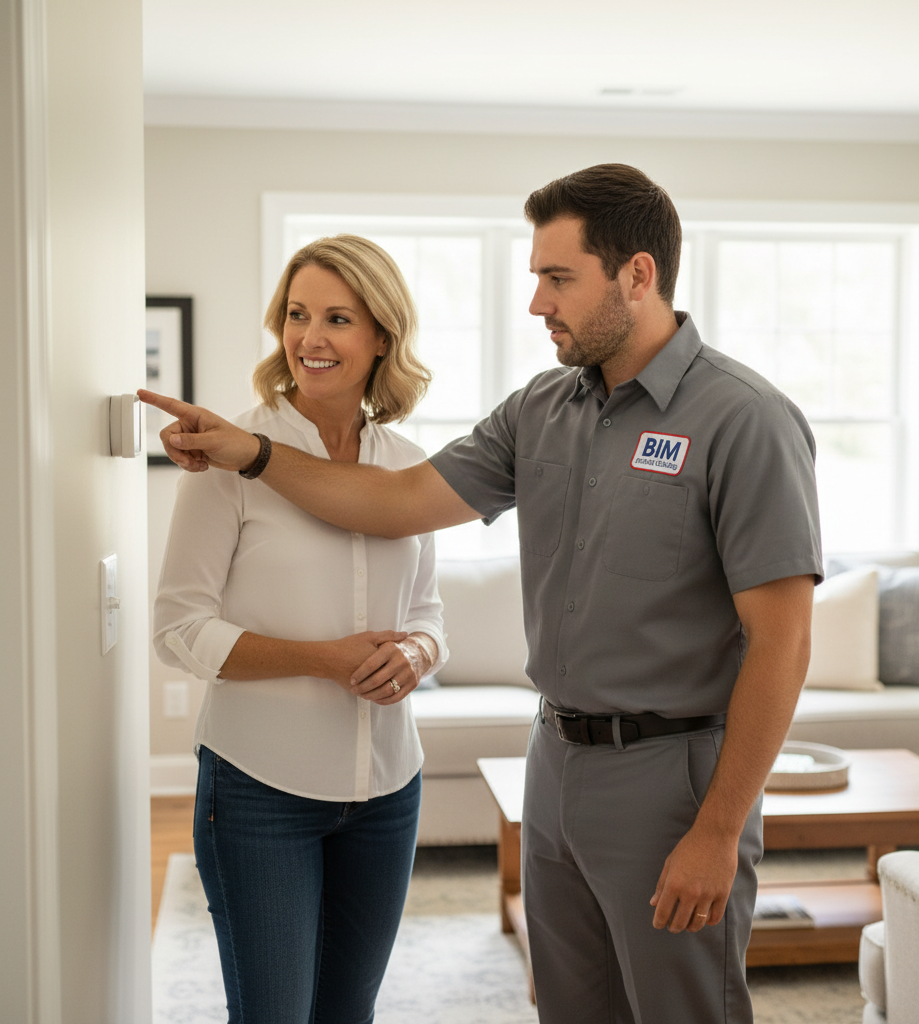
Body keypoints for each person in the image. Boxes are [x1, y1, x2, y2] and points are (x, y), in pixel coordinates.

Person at [143, 164, 822, 1024]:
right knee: (570, 1005)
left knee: (682, 1009)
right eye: (536, 277)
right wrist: (258, 454)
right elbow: (397, 504)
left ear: (638, 275)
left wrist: (720, 829)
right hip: (556, 766)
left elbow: (783, 643)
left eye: (558, 278)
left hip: (672, 775)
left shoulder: (745, 419)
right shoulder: (541, 408)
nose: (537, 302)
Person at [152, 234, 447, 1024]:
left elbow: (428, 614)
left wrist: (417, 652)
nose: (310, 338)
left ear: (381, 334)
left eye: (339, 318)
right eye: (297, 315)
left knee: (349, 1013)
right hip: (258, 792)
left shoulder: (409, 463)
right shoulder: (226, 457)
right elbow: (178, 628)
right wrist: (325, 660)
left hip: (389, 789)